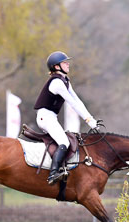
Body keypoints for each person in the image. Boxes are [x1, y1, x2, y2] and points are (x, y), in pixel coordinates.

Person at [34, 51, 99, 185]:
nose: (68, 64)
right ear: (57, 67)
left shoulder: (64, 81)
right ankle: (53, 174)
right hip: (45, 118)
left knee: (66, 140)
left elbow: (78, 101)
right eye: (64, 62)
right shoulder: (57, 83)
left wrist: (91, 119)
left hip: (50, 117)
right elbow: (73, 104)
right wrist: (89, 121)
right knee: (65, 142)